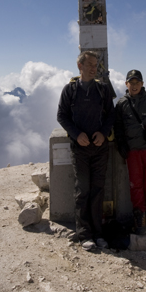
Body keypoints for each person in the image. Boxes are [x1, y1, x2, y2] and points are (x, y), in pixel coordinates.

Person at [57, 51, 115, 251]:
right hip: (79, 149)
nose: (94, 68)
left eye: (95, 64)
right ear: (80, 66)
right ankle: (84, 235)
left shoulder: (103, 89)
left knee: (98, 190)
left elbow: (111, 115)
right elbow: (62, 116)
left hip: (100, 147)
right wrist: (76, 134)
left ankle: (98, 234)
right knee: (83, 190)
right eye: (90, 64)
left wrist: (103, 132)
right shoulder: (70, 90)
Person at [114, 70, 146, 235]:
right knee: (135, 184)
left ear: (142, 84)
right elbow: (118, 127)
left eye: (137, 82)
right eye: (131, 82)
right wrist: (121, 145)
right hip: (133, 150)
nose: (134, 85)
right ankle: (140, 217)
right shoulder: (121, 104)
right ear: (126, 84)